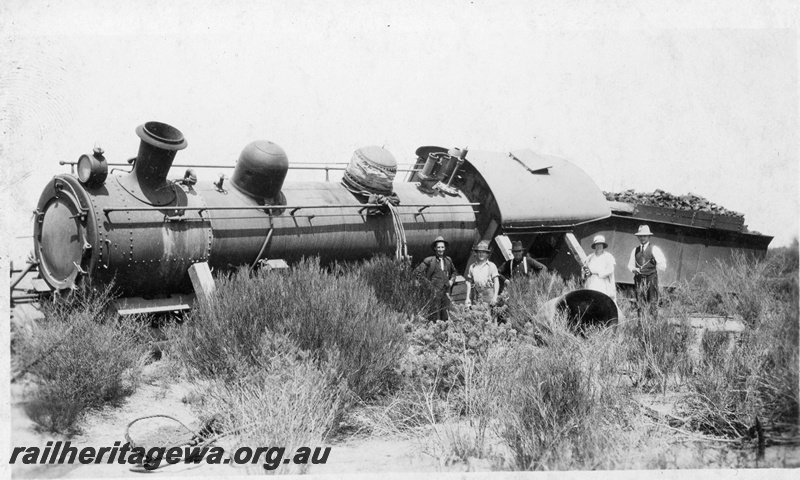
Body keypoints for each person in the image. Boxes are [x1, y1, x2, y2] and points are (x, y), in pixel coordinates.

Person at [627, 225, 667, 317]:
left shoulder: (654, 249)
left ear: (649, 237)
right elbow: (630, 265)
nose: (642, 238)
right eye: (640, 236)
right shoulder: (635, 250)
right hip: (638, 279)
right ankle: (641, 325)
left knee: (652, 302)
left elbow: (663, 265)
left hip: (651, 279)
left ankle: (653, 326)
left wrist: (654, 265)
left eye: (644, 236)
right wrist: (634, 269)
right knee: (640, 303)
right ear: (638, 237)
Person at [414, 236, 457, 321]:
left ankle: (445, 332)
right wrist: (428, 284)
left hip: (446, 292)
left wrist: (452, 280)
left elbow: (454, 272)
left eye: (442, 247)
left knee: (446, 314)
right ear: (435, 248)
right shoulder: (429, 260)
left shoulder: (448, 260)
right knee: (435, 315)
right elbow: (416, 272)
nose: (440, 249)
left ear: (445, 248)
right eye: (438, 247)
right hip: (434, 293)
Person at [582, 235, 617, 304]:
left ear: (603, 245)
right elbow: (584, 268)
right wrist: (585, 272)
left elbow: (611, 270)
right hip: (591, 283)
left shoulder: (608, 256)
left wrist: (597, 272)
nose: (599, 246)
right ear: (594, 246)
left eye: (601, 244)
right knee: (591, 301)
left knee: (602, 301)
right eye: (597, 244)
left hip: (603, 283)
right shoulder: (590, 257)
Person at [465, 240, 499, 307]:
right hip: (476, 294)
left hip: (489, 295)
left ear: (487, 254)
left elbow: (496, 282)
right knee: (476, 314)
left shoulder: (491, 266)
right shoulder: (472, 267)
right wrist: (467, 298)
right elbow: (469, 283)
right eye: (479, 252)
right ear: (476, 254)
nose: (481, 254)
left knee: (489, 315)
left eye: (483, 252)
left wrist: (495, 297)